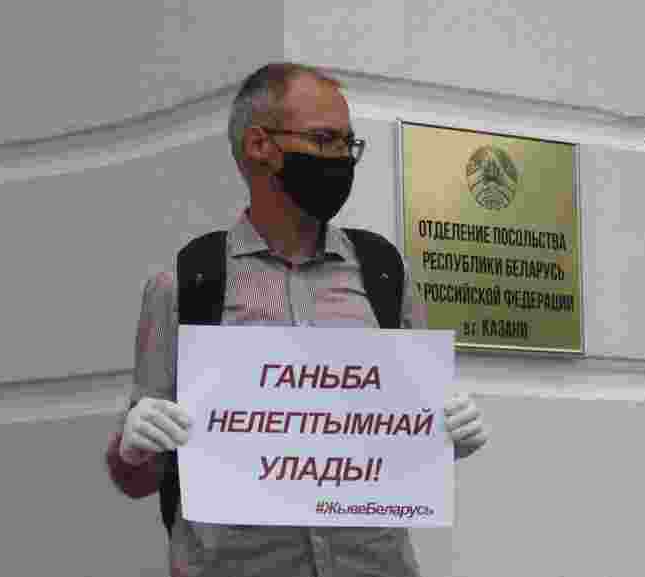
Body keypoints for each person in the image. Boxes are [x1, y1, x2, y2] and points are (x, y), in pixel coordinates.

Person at [104, 62, 489, 577]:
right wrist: (132, 449)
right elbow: (134, 480)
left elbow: (408, 442)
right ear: (258, 145)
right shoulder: (186, 285)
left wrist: (449, 436)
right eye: (324, 140)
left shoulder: (385, 274)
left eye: (349, 144)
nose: (342, 158)